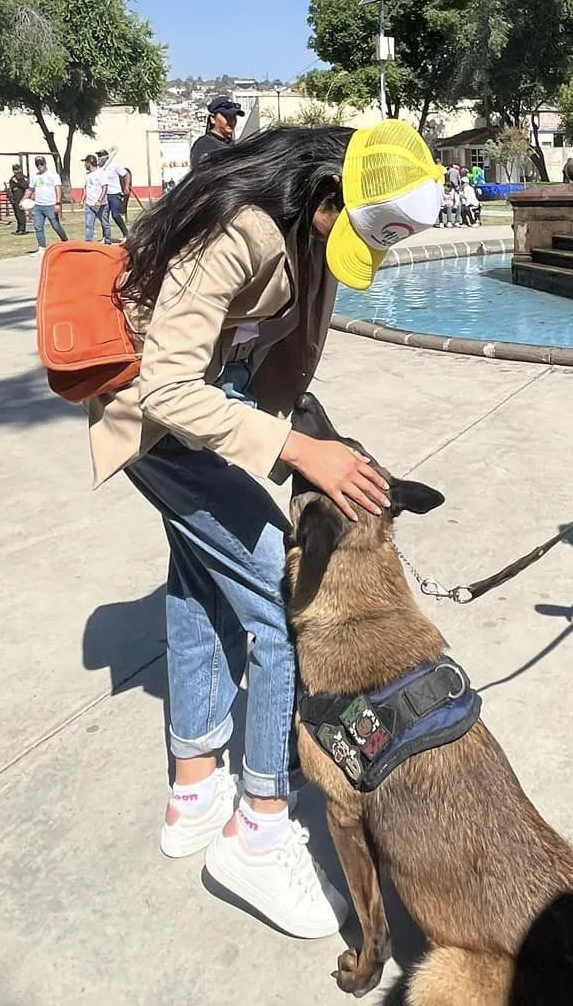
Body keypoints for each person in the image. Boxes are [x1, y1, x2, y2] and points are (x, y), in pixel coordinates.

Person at [89, 122, 444, 938]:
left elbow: (277, 358)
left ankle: (192, 787)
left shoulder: (304, 227)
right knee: (285, 612)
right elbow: (165, 388)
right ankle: (258, 825)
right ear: (325, 196)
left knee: (197, 581)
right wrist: (296, 448)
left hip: (214, 405)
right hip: (156, 419)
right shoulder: (239, 231)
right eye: (347, 232)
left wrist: (292, 436)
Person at [188, 95, 245, 170]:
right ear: (212, 119)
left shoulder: (231, 144)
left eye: (234, 117)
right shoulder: (204, 145)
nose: (232, 121)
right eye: (226, 116)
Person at [29, 156, 66, 247]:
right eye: (37, 164)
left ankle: (65, 241)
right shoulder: (35, 177)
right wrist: (24, 199)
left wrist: (57, 203)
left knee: (56, 226)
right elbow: (30, 189)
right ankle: (42, 247)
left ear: (45, 163)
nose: (39, 166)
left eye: (41, 163)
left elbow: (58, 188)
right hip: (38, 205)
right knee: (38, 227)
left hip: (50, 205)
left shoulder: (53, 175)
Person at [100, 149, 132, 242]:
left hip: (114, 194)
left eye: (100, 156)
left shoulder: (114, 166)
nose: (99, 158)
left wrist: (126, 187)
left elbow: (126, 175)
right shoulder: (100, 168)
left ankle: (126, 234)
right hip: (104, 195)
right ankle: (105, 237)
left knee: (116, 215)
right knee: (104, 216)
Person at [5, 163, 30, 236]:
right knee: (17, 213)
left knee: (20, 213)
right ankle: (19, 228)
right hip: (14, 197)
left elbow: (25, 186)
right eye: (14, 169)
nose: (16, 171)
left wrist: (17, 182)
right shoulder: (13, 178)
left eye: (17, 169)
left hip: (20, 196)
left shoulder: (22, 177)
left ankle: (22, 229)